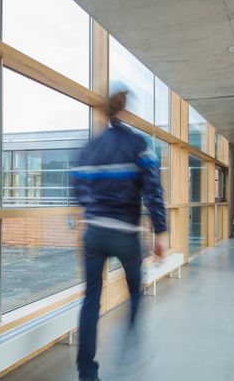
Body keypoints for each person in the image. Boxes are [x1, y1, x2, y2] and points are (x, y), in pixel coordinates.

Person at [72, 89, 167, 381]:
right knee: (136, 292)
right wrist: (159, 231)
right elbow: (152, 188)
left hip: (95, 233)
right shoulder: (138, 143)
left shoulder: (89, 148)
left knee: (90, 300)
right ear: (124, 111)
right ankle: (128, 354)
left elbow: (78, 192)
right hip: (126, 233)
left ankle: (87, 373)